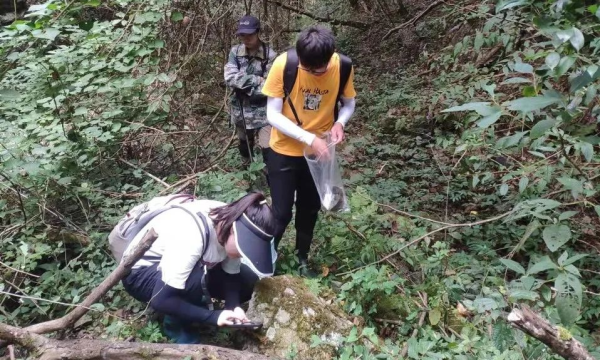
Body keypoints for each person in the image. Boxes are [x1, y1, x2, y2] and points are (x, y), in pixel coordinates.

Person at [261, 26, 356, 277]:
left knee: (310, 208)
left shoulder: (343, 66)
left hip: (319, 153)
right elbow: (272, 113)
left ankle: (302, 257)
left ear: (330, 56)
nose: (314, 73)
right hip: (283, 149)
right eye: (308, 69)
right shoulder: (285, 65)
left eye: (319, 69)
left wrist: (340, 123)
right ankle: (266, 258)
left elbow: (349, 103)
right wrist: (309, 138)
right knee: (281, 213)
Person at [119, 192, 276, 344]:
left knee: (247, 281)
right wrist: (213, 317)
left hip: (191, 264)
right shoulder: (191, 236)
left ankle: (192, 303)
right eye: (243, 249)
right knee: (194, 279)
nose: (243, 254)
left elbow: (232, 275)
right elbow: (161, 300)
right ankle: (176, 327)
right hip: (140, 273)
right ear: (233, 231)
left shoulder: (233, 218)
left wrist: (233, 307)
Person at [224, 15, 277, 170]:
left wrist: (244, 85)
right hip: (240, 109)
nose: (246, 38)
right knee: (244, 145)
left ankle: (270, 176)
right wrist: (256, 80)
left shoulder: (270, 55)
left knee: (268, 147)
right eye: (242, 35)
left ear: (258, 32)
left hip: (263, 111)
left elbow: (270, 86)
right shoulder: (235, 52)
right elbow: (230, 77)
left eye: (250, 34)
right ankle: (248, 175)